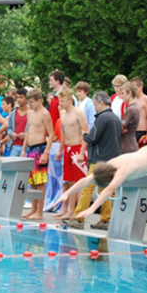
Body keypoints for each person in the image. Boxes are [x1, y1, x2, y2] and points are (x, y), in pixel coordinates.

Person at [57, 133, 147, 221]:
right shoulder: (110, 164)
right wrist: (67, 193)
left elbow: (109, 189)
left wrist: (92, 208)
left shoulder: (122, 170)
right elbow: (86, 180)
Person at [62, 92, 122, 230]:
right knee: (106, 189)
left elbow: (93, 137)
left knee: (87, 187)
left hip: (99, 159)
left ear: (101, 103)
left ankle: (79, 218)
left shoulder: (102, 118)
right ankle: (106, 219)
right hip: (112, 158)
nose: (95, 108)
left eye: (95, 105)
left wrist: (85, 135)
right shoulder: (115, 118)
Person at [53, 89, 89, 220]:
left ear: (69, 101)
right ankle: (68, 210)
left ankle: (76, 212)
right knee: (69, 181)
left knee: (79, 182)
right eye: (59, 101)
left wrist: (81, 153)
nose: (60, 103)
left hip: (78, 148)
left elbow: (86, 133)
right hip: (67, 149)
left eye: (62, 101)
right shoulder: (62, 113)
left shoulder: (78, 113)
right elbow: (64, 133)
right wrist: (60, 150)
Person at [21, 88, 54, 220]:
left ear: (39, 100)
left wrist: (46, 153)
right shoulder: (30, 113)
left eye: (31, 102)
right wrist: (24, 149)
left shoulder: (45, 113)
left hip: (40, 149)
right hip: (30, 148)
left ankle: (40, 211)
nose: (29, 105)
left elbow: (51, 134)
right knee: (32, 181)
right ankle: (33, 209)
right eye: (28, 102)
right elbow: (28, 131)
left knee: (40, 181)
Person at [130, 77, 147, 146]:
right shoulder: (132, 99)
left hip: (142, 131)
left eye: (134, 88)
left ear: (140, 87)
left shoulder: (146, 99)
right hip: (132, 131)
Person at [6, 88, 29, 157]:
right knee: (12, 167)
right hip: (14, 145)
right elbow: (9, 128)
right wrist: (12, 134)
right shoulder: (13, 113)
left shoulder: (31, 113)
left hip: (27, 146)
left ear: (26, 98)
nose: (18, 100)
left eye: (21, 97)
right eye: (17, 97)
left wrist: (26, 135)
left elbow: (36, 130)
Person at [119, 81, 140, 154]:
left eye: (123, 93)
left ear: (130, 93)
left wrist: (120, 127)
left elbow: (121, 127)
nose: (121, 96)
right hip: (131, 145)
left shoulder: (131, 109)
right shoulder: (135, 107)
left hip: (127, 146)